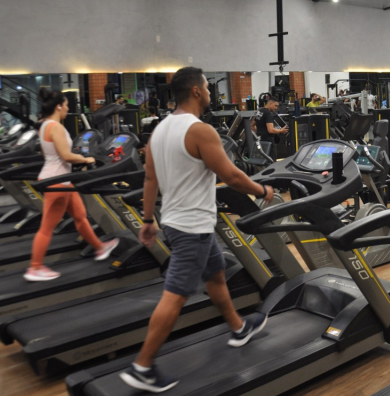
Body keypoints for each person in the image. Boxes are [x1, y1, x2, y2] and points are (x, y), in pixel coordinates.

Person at [119, 67, 274, 393]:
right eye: (207, 86)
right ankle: (142, 366)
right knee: (175, 295)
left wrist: (147, 220)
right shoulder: (200, 131)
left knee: (216, 275)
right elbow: (232, 176)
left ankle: (239, 327)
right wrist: (263, 191)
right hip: (192, 227)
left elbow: (150, 179)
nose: (209, 92)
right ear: (196, 91)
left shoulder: (160, 130)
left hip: (177, 221)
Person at [23, 89, 119, 282]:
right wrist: (86, 159)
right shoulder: (56, 127)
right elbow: (66, 156)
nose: (68, 108)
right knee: (47, 227)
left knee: (80, 216)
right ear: (59, 106)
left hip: (60, 179)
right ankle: (35, 267)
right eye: (66, 105)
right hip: (57, 181)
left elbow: (48, 155)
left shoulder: (43, 126)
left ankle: (100, 248)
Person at [254, 97, 288, 162]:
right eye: (275, 106)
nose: (276, 108)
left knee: (262, 160)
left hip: (260, 141)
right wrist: (281, 131)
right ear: (270, 103)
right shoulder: (268, 113)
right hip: (268, 141)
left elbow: (252, 125)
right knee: (272, 161)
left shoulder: (259, 111)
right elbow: (270, 130)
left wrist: (259, 133)